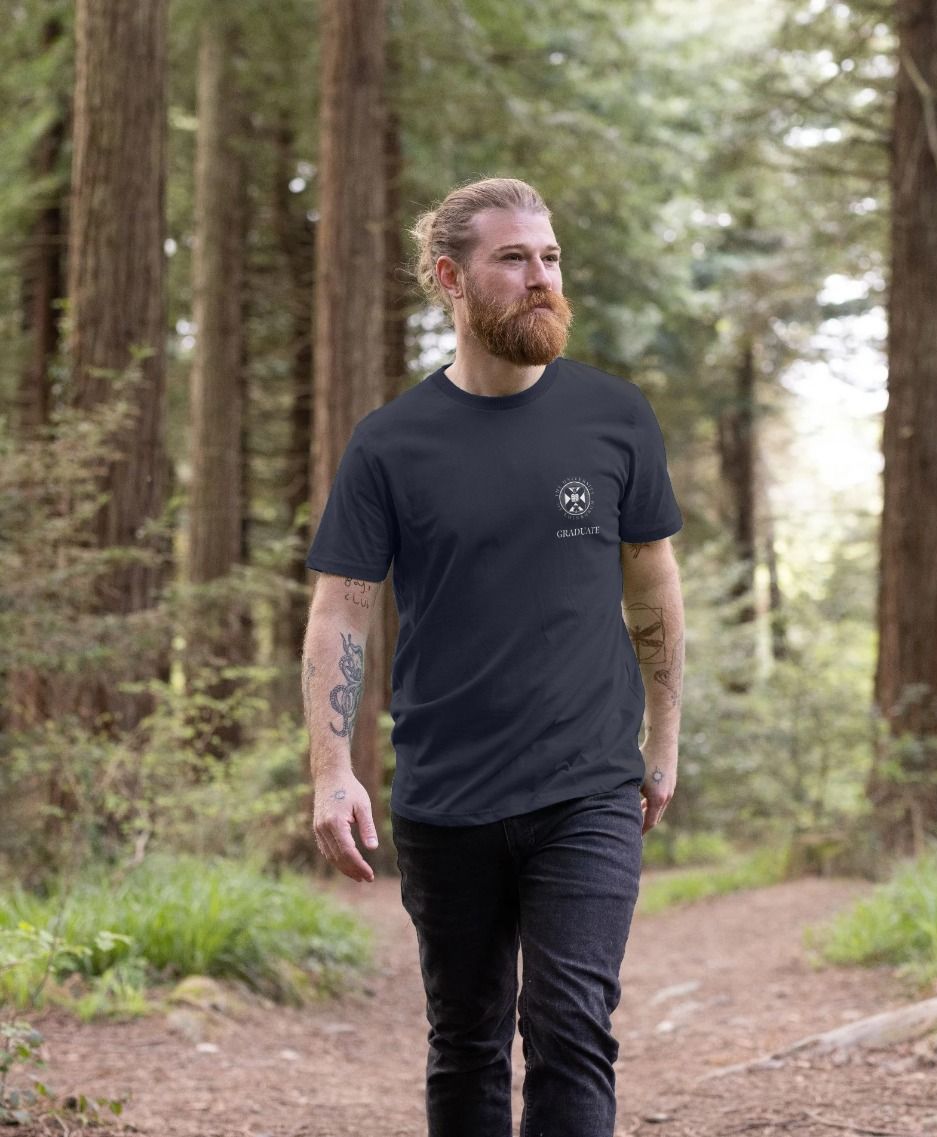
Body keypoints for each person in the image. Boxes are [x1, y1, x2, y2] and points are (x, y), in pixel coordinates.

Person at [301, 176, 685, 1137]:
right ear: (451, 278)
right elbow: (342, 610)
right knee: (467, 1039)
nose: (541, 278)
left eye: (550, 257)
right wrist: (332, 769)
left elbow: (654, 592)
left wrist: (665, 741)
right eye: (513, 259)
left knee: (571, 1026)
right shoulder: (389, 444)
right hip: (446, 794)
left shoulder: (616, 417)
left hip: (588, 786)